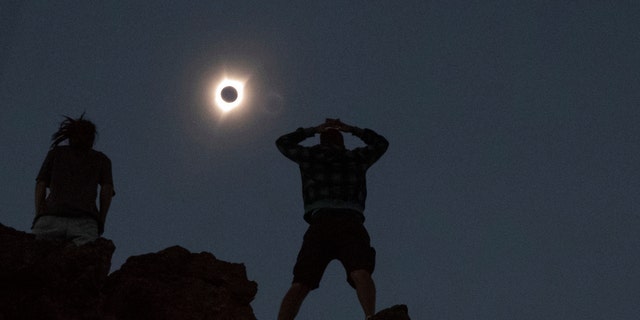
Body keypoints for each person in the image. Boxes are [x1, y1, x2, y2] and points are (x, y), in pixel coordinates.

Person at [275, 118, 389, 320]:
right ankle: (371, 316)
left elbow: (283, 143)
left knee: (301, 282)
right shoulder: (356, 158)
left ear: (321, 141)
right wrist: (352, 128)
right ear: (341, 141)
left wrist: (313, 129)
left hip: (321, 222)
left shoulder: (311, 156)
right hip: (350, 221)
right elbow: (381, 144)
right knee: (360, 271)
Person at [32, 114, 115, 246]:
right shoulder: (101, 159)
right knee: (82, 262)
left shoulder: (56, 153)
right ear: (92, 138)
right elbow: (107, 190)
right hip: (85, 221)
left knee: (38, 260)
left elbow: (41, 184)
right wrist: (101, 219)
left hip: (50, 218)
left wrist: (39, 213)